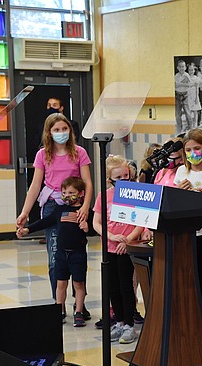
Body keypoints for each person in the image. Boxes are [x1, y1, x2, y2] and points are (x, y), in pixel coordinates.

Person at [16, 113, 93, 317]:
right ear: (49, 133)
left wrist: (85, 207)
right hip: (52, 206)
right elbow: (35, 185)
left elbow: (88, 182)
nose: (61, 133)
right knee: (55, 258)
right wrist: (25, 212)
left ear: (70, 130)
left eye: (64, 129)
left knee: (77, 255)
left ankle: (79, 303)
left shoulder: (79, 152)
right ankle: (57, 305)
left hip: (75, 206)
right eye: (56, 130)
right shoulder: (43, 155)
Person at [17, 177, 92, 327]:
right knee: (60, 284)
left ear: (81, 193)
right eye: (64, 192)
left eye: (71, 192)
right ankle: (60, 309)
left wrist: (86, 228)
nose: (66, 195)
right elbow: (45, 222)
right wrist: (28, 229)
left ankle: (78, 312)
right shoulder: (59, 210)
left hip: (77, 254)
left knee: (79, 284)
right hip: (61, 254)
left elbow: (95, 228)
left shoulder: (85, 212)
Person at [93, 155, 144, 344]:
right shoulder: (103, 196)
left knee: (126, 287)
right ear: (110, 180)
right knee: (112, 287)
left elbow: (140, 222)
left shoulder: (135, 194)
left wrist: (128, 240)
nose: (124, 180)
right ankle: (120, 322)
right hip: (110, 247)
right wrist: (111, 236)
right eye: (119, 178)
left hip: (126, 248)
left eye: (127, 176)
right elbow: (96, 223)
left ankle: (130, 325)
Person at [174, 128, 202, 302]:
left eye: (197, 149)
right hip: (188, 231)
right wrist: (180, 191)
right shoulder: (181, 172)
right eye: (188, 150)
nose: (193, 153)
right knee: (191, 272)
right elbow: (175, 200)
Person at [174, 59, 193, 134]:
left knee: (188, 113)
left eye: (183, 66)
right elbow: (175, 85)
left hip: (185, 95)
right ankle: (179, 128)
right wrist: (183, 84)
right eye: (180, 67)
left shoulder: (187, 75)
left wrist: (180, 84)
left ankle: (191, 128)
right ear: (178, 68)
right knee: (178, 114)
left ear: (185, 67)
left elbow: (190, 84)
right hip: (178, 95)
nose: (182, 68)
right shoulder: (176, 76)